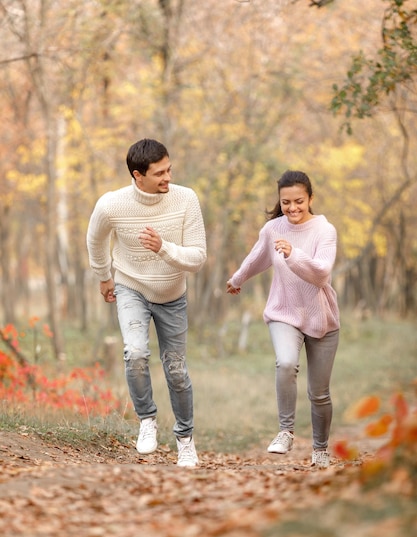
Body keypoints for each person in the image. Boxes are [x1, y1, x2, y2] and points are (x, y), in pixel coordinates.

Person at [87, 138, 206, 467]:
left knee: (177, 371)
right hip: (131, 287)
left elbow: (197, 258)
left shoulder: (186, 199)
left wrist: (164, 248)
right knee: (135, 352)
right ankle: (147, 421)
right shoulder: (112, 205)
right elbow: (94, 238)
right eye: (159, 173)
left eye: (169, 169)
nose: (168, 177)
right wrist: (103, 276)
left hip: (172, 296)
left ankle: (185, 440)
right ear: (138, 176)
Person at [226, 170, 339, 469]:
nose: (292, 208)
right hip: (284, 311)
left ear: (311, 198)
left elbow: (321, 274)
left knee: (319, 393)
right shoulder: (273, 228)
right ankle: (286, 431)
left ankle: (320, 448)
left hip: (321, 318)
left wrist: (293, 254)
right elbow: (257, 257)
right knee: (286, 362)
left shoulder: (325, 230)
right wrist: (237, 279)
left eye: (299, 201)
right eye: (286, 202)